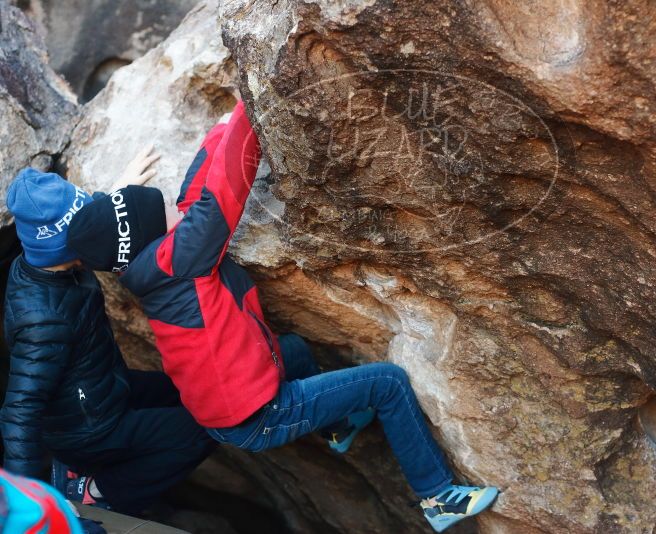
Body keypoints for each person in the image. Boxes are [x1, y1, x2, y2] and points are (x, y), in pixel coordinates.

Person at [66, 100, 499, 532]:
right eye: (162, 208)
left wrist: (220, 129)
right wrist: (251, 109)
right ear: (150, 234)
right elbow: (221, 195)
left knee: (293, 349)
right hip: (258, 414)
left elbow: (193, 196)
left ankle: (338, 426)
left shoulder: (147, 265)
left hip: (227, 404)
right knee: (387, 384)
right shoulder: (178, 259)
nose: (175, 208)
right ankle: (437, 496)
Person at [1, 160, 216, 516]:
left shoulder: (44, 260)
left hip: (105, 386)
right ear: (66, 244)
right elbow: (19, 411)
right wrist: (23, 505)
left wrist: (115, 195)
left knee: (197, 389)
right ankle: (96, 490)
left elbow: (80, 227)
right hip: (89, 429)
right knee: (208, 427)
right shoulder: (41, 320)